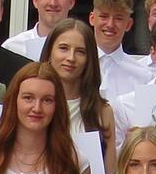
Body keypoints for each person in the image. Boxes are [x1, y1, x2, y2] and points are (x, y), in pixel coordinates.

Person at [40, 18, 114, 150]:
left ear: (89, 59)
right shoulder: (34, 105)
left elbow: (109, 169)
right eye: (63, 48)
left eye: (80, 51)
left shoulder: (103, 111)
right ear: (50, 52)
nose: (71, 58)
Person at [88, 0, 153, 100]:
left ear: (128, 24)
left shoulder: (143, 76)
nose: (110, 24)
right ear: (92, 19)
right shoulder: (76, 65)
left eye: (118, 18)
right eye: (104, 16)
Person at [4, 0, 75, 62]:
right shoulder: (12, 48)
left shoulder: (84, 48)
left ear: (71, 2)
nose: (53, 3)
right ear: (35, 1)